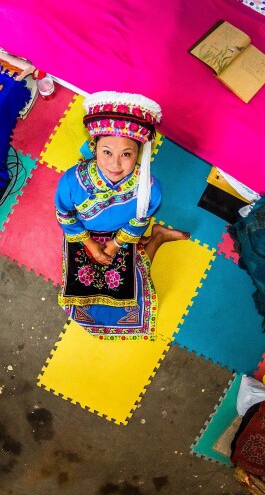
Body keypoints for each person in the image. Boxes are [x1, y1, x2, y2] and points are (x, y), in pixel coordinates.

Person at [54, 91, 189, 341]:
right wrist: (91, 245)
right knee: (84, 293)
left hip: (122, 237)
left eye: (126, 154)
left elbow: (137, 222)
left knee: (127, 289)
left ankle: (156, 237)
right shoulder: (72, 182)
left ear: (139, 153)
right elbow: (65, 215)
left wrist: (116, 246)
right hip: (83, 234)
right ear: (94, 148)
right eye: (107, 152)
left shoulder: (150, 189)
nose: (115, 164)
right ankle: (155, 239)